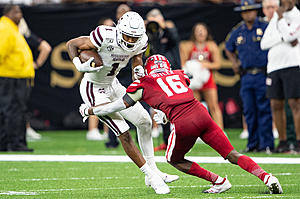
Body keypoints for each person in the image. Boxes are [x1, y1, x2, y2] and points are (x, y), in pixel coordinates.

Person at [79, 54, 283, 194]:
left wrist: (90, 110)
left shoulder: (144, 82)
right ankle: (267, 177)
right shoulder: (179, 74)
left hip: (185, 122)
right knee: (231, 154)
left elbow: (118, 105)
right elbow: (175, 96)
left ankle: (218, 181)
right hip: (202, 115)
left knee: (173, 159)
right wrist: (165, 114)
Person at [66, 11, 178, 193]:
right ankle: (151, 176)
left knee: (145, 121)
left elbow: (136, 59)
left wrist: (138, 70)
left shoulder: (141, 41)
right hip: (93, 88)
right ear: (119, 30)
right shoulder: (104, 35)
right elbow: (72, 44)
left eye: (134, 38)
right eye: (127, 36)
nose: (131, 41)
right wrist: (78, 63)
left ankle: (154, 170)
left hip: (114, 84)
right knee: (124, 133)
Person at [225, 0, 274, 153]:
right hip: (246, 75)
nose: (248, 13)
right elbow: (228, 47)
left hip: (262, 73)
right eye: (245, 11)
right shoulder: (238, 31)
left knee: (264, 109)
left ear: (256, 11)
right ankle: (252, 144)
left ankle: (266, 144)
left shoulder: (265, 27)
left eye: (251, 10)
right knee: (249, 110)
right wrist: (234, 62)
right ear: (242, 13)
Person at [261, 0, 300, 153]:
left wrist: (282, 20)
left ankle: (298, 142)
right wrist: (282, 38)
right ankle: (282, 142)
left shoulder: (297, 16)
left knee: (295, 104)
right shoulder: (276, 17)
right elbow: (263, 44)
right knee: (275, 105)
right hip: (274, 67)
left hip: (292, 65)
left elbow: (292, 36)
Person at [145, 8, 181, 151]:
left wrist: (163, 25)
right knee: (162, 109)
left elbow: (174, 38)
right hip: (159, 76)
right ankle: (167, 141)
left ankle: (182, 140)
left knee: (177, 108)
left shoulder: (169, 31)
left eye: (156, 19)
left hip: (173, 74)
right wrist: (145, 28)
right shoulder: (150, 35)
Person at [0, 5, 34, 152]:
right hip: (9, 77)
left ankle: (15, 142)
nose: (20, 15)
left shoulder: (12, 28)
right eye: (16, 12)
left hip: (16, 76)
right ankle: (11, 143)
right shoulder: (5, 28)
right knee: (11, 110)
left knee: (17, 110)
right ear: (8, 13)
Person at [180, 22, 223, 129]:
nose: (200, 32)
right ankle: (197, 131)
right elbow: (183, 64)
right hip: (194, 80)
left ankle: (220, 130)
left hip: (207, 80)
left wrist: (205, 64)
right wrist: (194, 67)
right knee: (195, 107)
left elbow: (218, 64)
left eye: (202, 30)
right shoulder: (188, 45)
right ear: (194, 33)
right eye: (198, 30)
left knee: (214, 106)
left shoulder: (211, 45)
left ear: (206, 32)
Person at [18, 17, 52, 140]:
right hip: (19, 74)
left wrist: (36, 64)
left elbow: (46, 47)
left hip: (17, 74)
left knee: (17, 104)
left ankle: (24, 128)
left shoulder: (20, 34)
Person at [86, 17, 114, 141]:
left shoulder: (115, 41)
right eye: (107, 26)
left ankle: (108, 131)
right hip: (96, 74)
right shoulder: (97, 40)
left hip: (109, 76)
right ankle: (92, 130)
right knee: (96, 102)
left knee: (109, 103)